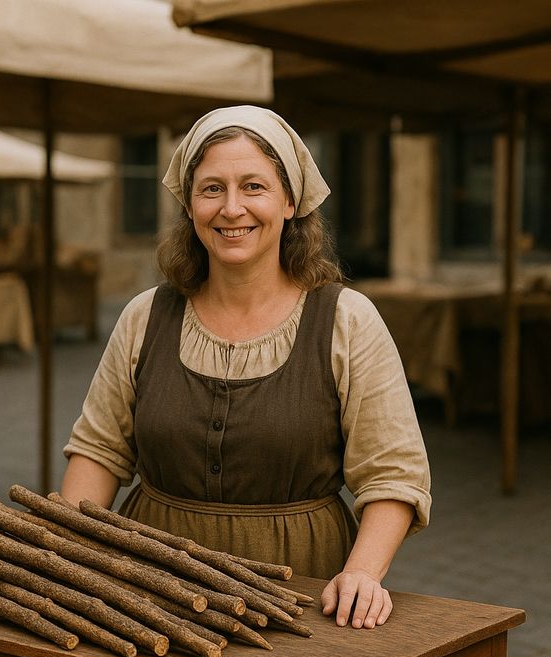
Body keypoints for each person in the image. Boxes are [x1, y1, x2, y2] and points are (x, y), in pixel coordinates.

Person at [61, 105, 431, 629]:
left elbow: (394, 475)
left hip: (299, 592)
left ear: (290, 200)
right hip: (149, 591)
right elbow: (99, 452)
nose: (231, 208)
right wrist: (67, 556)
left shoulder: (347, 320)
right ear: (190, 206)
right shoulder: (146, 316)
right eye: (212, 189)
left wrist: (363, 575)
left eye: (253, 186)